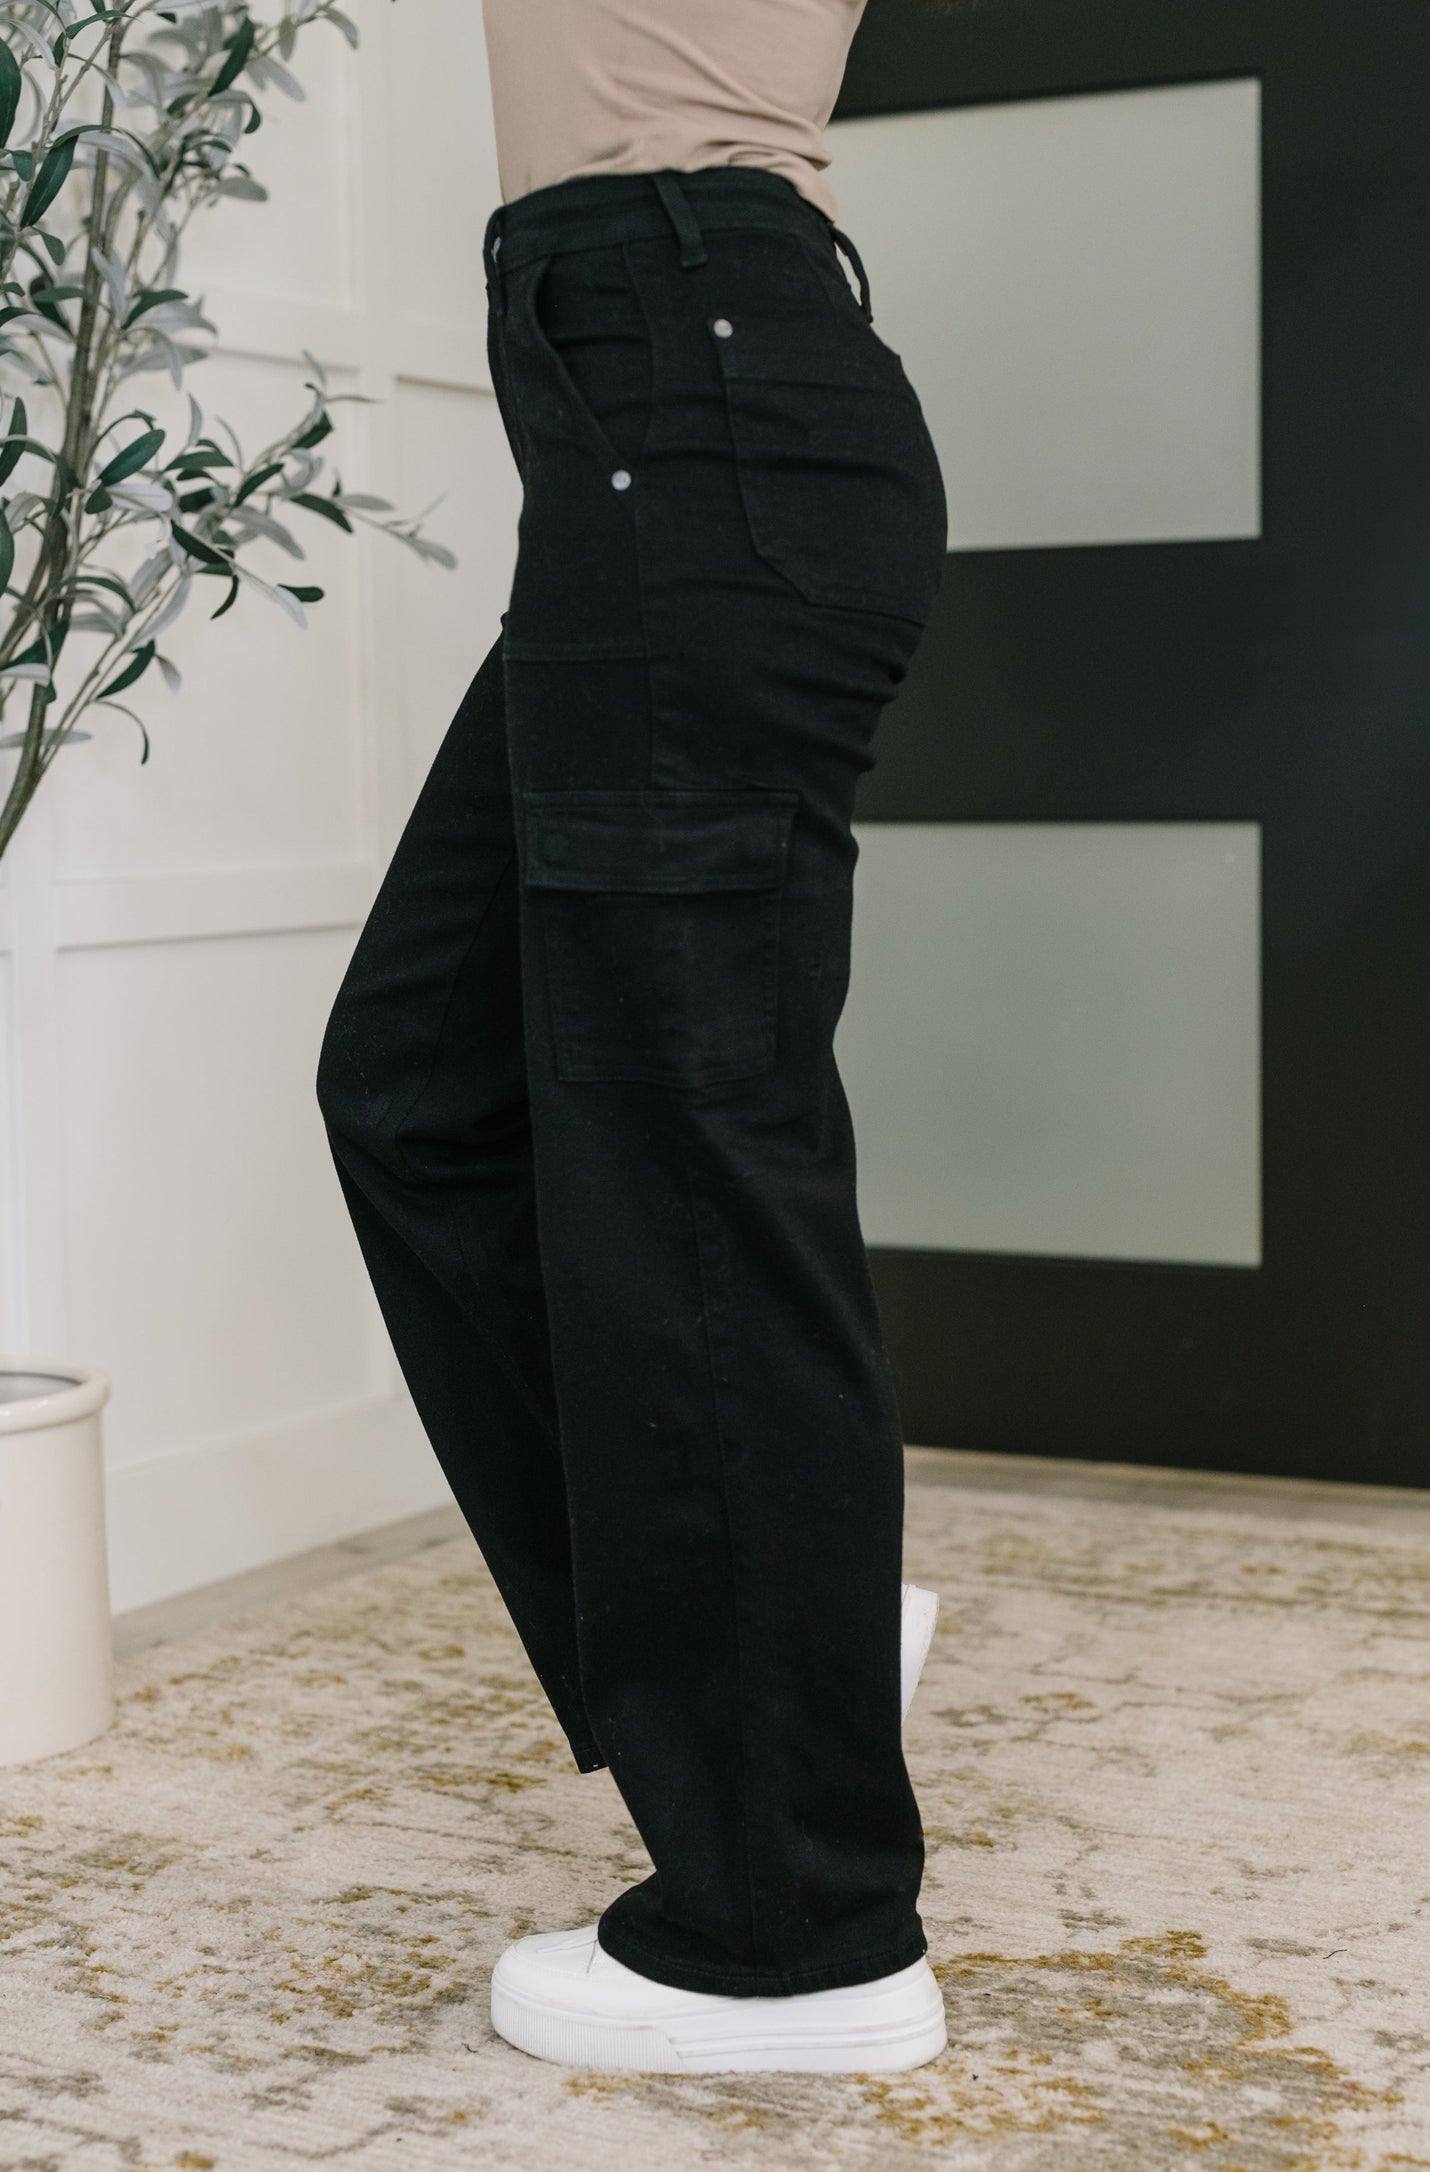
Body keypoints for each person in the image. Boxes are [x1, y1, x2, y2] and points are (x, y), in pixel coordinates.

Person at [314, 0, 950, 2074]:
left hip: (691, 392)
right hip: (650, 415)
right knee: (424, 1085)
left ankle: (799, 1934)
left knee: (689, 1164)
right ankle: (782, 1636)